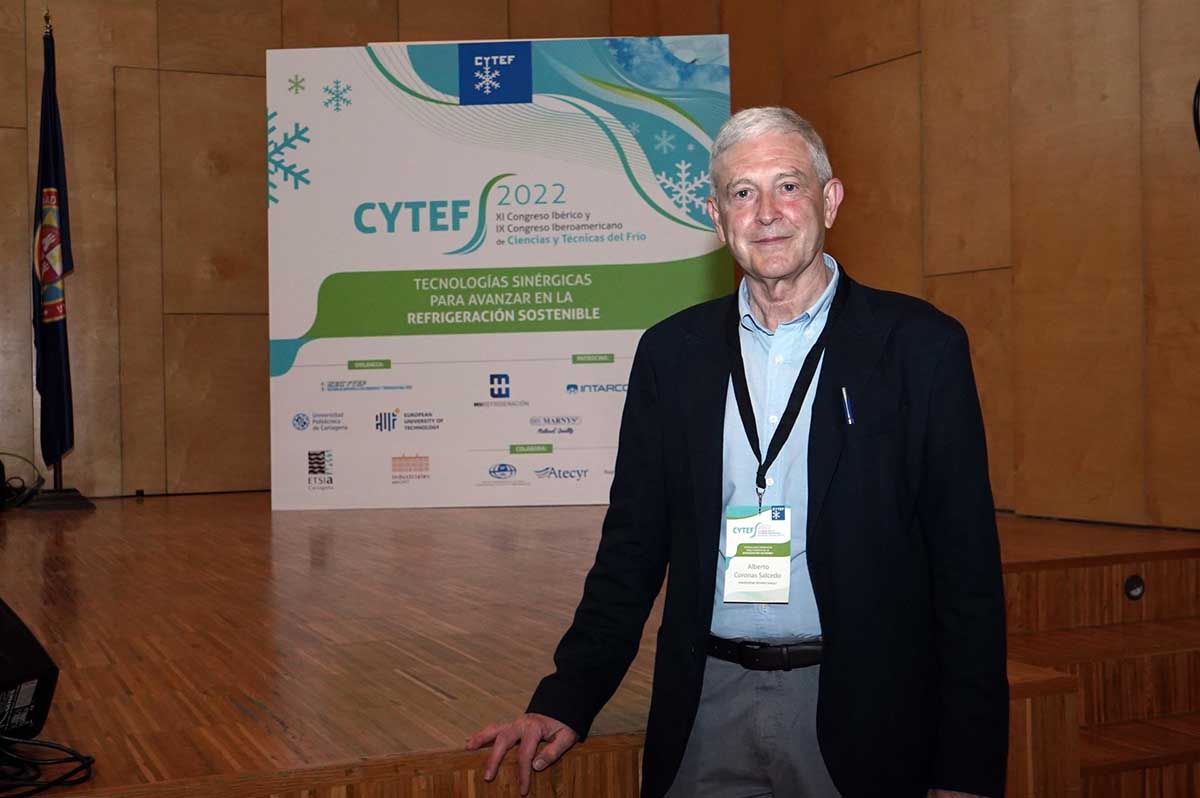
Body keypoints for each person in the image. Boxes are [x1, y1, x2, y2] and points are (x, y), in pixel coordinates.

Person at [467, 107, 1008, 798]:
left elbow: (967, 578)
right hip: (705, 708)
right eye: (742, 193)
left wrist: (966, 771)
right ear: (717, 218)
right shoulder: (672, 355)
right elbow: (631, 549)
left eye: (789, 185)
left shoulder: (920, 348)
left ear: (830, 200)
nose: (768, 213)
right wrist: (564, 696)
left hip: (864, 708)